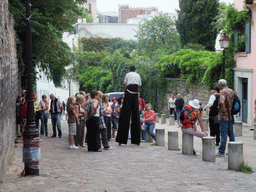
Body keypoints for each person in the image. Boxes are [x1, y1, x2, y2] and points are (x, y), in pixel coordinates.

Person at [116, 65, 142, 146]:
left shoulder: (127, 74)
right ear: (135, 70)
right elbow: (140, 84)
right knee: (136, 115)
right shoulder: (138, 75)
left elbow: (125, 83)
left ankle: (121, 139)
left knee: (125, 115)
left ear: (130, 69)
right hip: (135, 95)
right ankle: (136, 140)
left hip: (128, 93)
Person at [216, 79, 235, 157]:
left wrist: (223, 109)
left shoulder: (222, 92)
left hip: (224, 116)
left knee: (223, 134)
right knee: (231, 133)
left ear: (220, 84)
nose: (218, 85)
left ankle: (221, 151)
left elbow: (222, 102)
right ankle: (233, 150)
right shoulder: (231, 91)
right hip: (230, 115)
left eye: (218, 84)